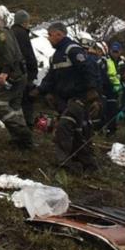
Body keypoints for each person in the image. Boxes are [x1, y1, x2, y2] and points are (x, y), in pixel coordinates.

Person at [38, 23, 101, 170]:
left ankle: (64, 162)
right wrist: (40, 91)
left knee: (64, 126)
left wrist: (92, 91)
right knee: (78, 131)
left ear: (59, 34)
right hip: (64, 99)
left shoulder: (72, 50)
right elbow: (51, 78)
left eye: (50, 35)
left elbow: (87, 69)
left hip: (79, 97)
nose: (48, 38)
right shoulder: (55, 57)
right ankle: (88, 164)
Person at [0, 15, 34, 149]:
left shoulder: (1, 35)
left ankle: (23, 133)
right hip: (16, 75)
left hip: (13, 76)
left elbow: (8, 54)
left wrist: (5, 73)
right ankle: (21, 141)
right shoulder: (1, 34)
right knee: (15, 107)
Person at [10, 10, 39, 131]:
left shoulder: (10, 33)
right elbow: (28, 54)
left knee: (15, 99)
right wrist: (33, 70)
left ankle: (16, 124)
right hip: (24, 71)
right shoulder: (22, 34)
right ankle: (28, 124)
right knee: (27, 99)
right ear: (24, 22)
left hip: (12, 72)